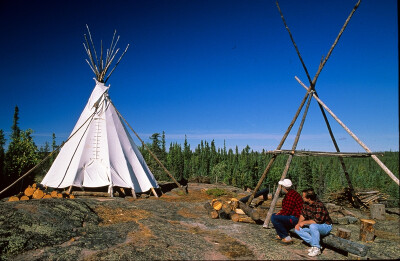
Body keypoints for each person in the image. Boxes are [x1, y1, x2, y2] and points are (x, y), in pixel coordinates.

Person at [295, 188, 333, 257]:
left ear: (309, 198)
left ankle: (317, 248)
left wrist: (304, 223)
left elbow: (317, 221)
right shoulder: (305, 204)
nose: (302, 197)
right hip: (314, 225)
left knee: (313, 226)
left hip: (325, 226)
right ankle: (314, 244)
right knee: (297, 229)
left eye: (303, 196)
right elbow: (302, 215)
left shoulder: (319, 205)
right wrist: (298, 224)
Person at [269, 178, 303, 244]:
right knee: (276, 216)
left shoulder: (290, 196)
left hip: (295, 218)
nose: (281, 188)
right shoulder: (292, 193)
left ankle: (286, 237)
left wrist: (279, 214)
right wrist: (280, 212)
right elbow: (287, 209)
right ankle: (281, 234)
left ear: (285, 188)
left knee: (274, 217)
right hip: (295, 217)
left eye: (282, 187)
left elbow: (287, 211)